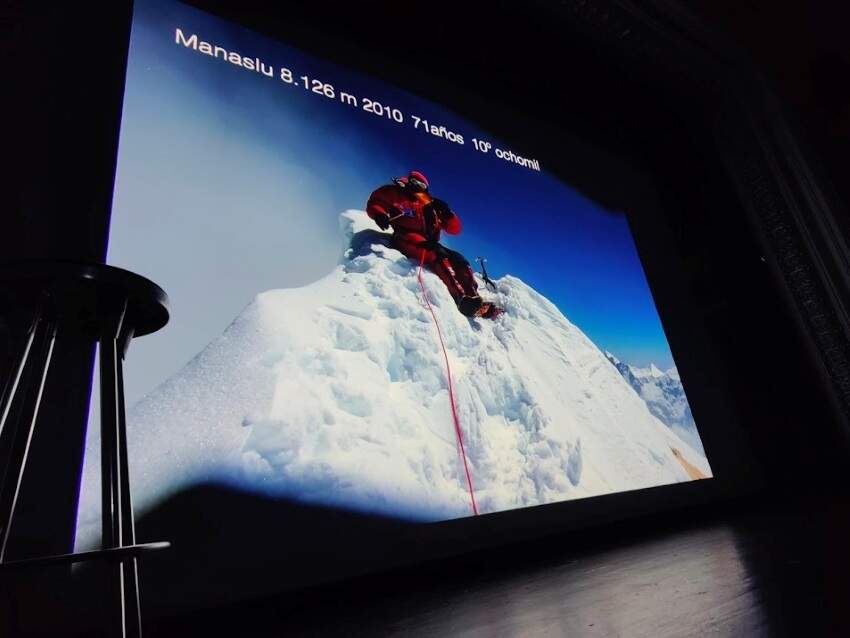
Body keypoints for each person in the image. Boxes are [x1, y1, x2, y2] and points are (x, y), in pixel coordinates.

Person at [366, 171, 500, 318]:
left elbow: (455, 230)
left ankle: (474, 298)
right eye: (414, 182)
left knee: (459, 259)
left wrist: (448, 214)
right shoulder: (397, 193)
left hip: (429, 240)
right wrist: (379, 214)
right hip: (405, 235)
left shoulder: (429, 205)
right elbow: (375, 202)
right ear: (409, 181)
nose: (416, 186)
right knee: (435, 252)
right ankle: (460, 297)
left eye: (421, 185)